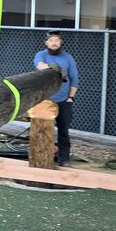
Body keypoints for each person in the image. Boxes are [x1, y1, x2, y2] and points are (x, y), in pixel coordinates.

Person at [34, 30, 79, 165]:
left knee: (63, 129)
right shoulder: (41, 55)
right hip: (45, 100)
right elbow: (39, 66)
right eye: (51, 40)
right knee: (43, 128)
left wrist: (71, 97)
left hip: (64, 100)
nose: (54, 43)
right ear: (46, 42)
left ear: (61, 42)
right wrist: (53, 68)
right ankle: (42, 155)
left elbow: (74, 79)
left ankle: (63, 158)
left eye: (57, 40)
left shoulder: (68, 58)